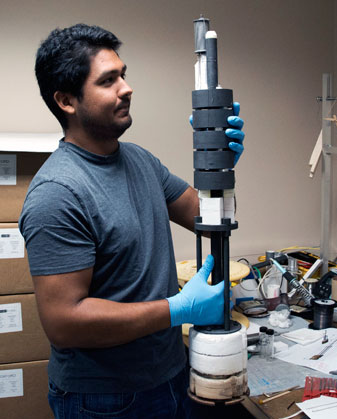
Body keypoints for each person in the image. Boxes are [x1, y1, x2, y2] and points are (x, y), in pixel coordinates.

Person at [18, 23, 244, 418]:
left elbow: (206, 217)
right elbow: (65, 322)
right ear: (67, 100)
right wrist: (178, 309)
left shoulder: (140, 161)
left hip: (170, 374)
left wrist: (219, 168)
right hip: (106, 400)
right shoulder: (57, 192)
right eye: (108, 80)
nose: (126, 87)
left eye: (123, 74)